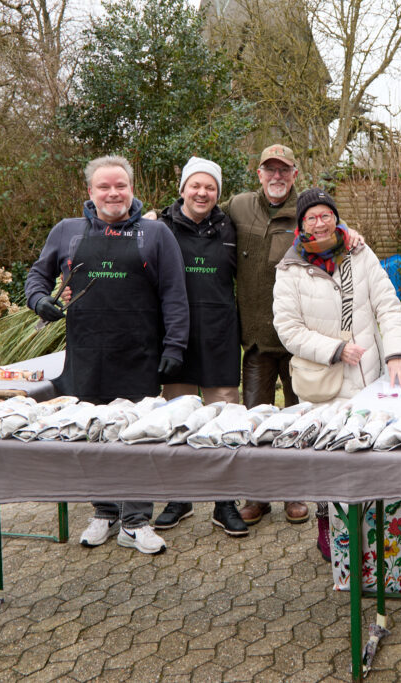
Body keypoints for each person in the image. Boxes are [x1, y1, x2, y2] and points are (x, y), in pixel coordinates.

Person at [25, 155, 190, 556]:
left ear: (132, 189)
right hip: (86, 356)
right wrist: (40, 300)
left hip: (139, 356)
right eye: (104, 187)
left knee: (137, 439)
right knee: (94, 437)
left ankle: (136, 521)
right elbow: (37, 275)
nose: (113, 193)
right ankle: (104, 511)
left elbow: (174, 294)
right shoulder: (67, 231)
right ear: (90, 192)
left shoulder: (155, 234)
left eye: (120, 186)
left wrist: (175, 346)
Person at [272, 187, 401, 559]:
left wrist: (397, 354)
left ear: (336, 218)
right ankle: (328, 525)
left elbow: (388, 305)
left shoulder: (359, 253)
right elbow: (288, 329)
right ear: (301, 224)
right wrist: (335, 349)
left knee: (371, 457)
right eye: (311, 217)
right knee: (328, 462)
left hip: (369, 378)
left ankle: (374, 530)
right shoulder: (289, 269)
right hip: (324, 383)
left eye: (326, 215)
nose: (320, 223)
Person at [152, 157, 249, 537]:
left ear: (218, 193)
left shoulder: (231, 226)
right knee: (178, 419)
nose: (202, 192)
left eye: (210, 187)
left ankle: (225, 502)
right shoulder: (160, 227)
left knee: (224, 420)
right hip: (175, 337)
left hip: (220, 335)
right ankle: (180, 497)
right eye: (195, 185)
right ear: (182, 189)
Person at [220, 144, 310, 526]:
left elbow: (335, 239)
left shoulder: (307, 209)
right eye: (269, 169)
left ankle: (294, 493)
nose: (277, 176)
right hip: (256, 339)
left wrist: (350, 234)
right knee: (255, 420)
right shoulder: (239, 206)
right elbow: (198, 216)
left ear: (294, 174)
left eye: (283, 170)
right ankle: (256, 496)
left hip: (298, 341)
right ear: (258, 174)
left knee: (296, 419)